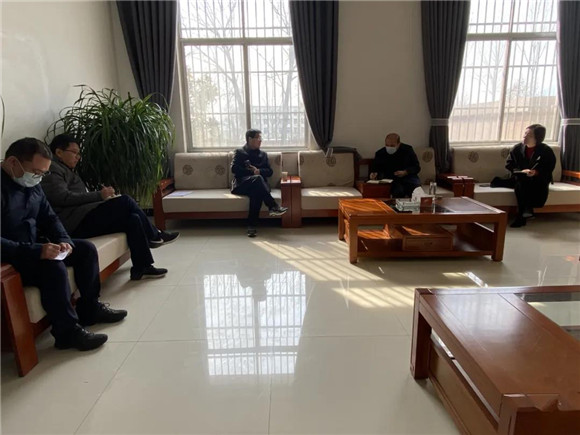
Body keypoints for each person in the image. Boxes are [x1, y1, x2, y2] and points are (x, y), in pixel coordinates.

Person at [1, 138, 127, 351]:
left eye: (42, 174)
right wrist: (36, 251)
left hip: (34, 246)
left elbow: (50, 217)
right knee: (52, 266)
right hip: (11, 257)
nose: (38, 178)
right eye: (36, 172)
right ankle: (67, 333)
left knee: (85, 249)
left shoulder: (32, 184)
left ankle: (90, 309)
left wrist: (64, 240)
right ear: (13, 162)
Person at [41, 134, 178, 280]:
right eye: (74, 152)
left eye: (79, 154)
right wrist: (99, 196)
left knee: (132, 219)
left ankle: (142, 267)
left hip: (81, 217)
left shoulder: (64, 169)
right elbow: (62, 197)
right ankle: (155, 235)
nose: (78, 157)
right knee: (125, 201)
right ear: (59, 152)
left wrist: (102, 198)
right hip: (73, 223)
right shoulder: (52, 169)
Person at [231, 129, 288, 237]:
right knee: (257, 180)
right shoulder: (239, 152)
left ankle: (251, 226)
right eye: (258, 138)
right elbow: (234, 169)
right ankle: (272, 206)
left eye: (260, 138)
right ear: (250, 139)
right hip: (242, 184)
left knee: (256, 191)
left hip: (260, 185)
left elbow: (270, 172)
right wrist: (251, 172)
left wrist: (259, 171)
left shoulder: (263, 154)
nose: (260, 140)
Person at [506, 124, 556, 228]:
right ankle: (524, 213)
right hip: (520, 177)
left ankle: (523, 214)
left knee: (527, 184)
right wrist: (520, 171)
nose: (525, 136)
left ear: (537, 138)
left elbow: (549, 168)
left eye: (529, 135)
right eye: (525, 133)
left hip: (538, 179)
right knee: (522, 182)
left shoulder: (546, 151)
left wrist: (536, 172)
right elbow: (509, 164)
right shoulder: (517, 148)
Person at [370, 133, 421, 198]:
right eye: (387, 145)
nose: (389, 147)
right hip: (391, 179)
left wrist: (405, 172)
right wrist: (373, 174)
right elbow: (375, 169)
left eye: (392, 145)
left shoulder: (408, 150)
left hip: (408, 177)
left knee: (416, 190)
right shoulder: (380, 153)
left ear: (399, 144)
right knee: (398, 191)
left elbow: (416, 167)